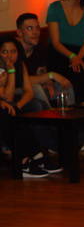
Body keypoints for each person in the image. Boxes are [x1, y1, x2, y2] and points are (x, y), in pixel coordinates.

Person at [0, 37, 62, 176]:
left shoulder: (20, 64)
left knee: (34, 106)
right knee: (9, 112)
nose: (9, 56)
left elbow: (29, 91)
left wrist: (18, 106)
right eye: (4, 52)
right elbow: (7, 97)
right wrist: (11, 72)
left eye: (13, 51)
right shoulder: (2, 69)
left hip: (14, 102)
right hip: (7, 103)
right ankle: (28, 158)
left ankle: (40, 152)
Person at [16, 13, 75, 107]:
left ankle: (69, 113)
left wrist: (48, 82)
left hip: (36, 85)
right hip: (16, 89)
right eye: (30, 28)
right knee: (36, 88)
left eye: (37, 28)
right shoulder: (12, 50)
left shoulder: (39, 48)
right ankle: (49, 115)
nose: (35, 32)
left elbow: (41, 71)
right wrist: (51, 75)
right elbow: (20, 80)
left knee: (65, 84)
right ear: (19, 32)